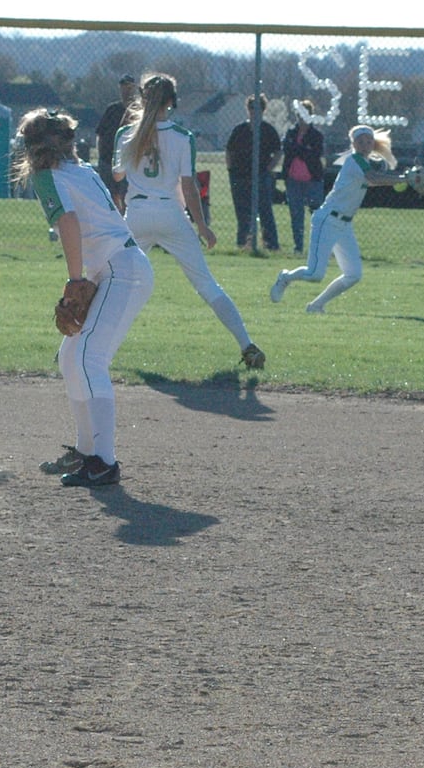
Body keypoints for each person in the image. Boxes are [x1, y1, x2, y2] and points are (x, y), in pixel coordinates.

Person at [16, 107, 154, 488]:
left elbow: (70, 223)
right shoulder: (81, 171)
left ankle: (104, 462)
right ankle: (85, 449)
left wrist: (75, 279)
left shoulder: (48, 176)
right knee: (71, 355)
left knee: (90, 358)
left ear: (31, 148)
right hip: (118, 268)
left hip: (120, 271)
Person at [113, 74, 266, 370]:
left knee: (114, 282)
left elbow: (118, 176)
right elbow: (189, 187)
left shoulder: (127, 134)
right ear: (172, 102)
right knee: (207, 284)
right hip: (171, 214)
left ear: (142, 100)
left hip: (137, 214)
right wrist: (202, 225)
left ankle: (79, 345)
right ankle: (247, 345)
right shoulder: (183, 136)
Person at [268, 125, 408, 314]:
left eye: (369, 141)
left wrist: (403, 178)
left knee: (353, 275)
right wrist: (404, 178)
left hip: (344, 224)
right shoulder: (354, 161)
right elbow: (373, 178)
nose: (365, 144)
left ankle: (316, 306)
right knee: (314, 274)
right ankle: (285, 277)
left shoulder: (364, 162)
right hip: (327, 220)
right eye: (361, 141)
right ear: (354, 144)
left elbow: (374, 177)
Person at [225, 93, 281, 251]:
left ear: (263, 111)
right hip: (240, 176)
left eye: (257, 109)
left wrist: (269, 168)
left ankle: (271, 245)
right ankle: (243, 244)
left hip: (261, 176)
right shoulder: (240, 130)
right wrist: (231, 170)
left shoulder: (268, 130)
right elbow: (229, 151)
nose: (253, 112)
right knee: (243, 214)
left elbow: (277, 152)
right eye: (251, 109)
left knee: (265, 212)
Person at [281, 98, 326, 255]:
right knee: (296, 215)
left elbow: (314, 155)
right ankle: (298, 247)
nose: (301, 117)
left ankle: (318, 247)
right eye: (299, 114)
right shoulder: (291, 133)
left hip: (312, 180)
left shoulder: (316, 135)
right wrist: (302, 149)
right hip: (293, 180)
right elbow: (288, 150)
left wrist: (298, 149)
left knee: (317, 215)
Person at [95, 74, 137, 214]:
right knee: (111, 195)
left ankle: (127, 221)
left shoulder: (138, 111)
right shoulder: (112, 109)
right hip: (108, 160)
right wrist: (100, 156)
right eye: (124, 87)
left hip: (128, 161)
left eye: (130, 87)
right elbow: (100, 134)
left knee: (126, 195)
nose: (127, 91)